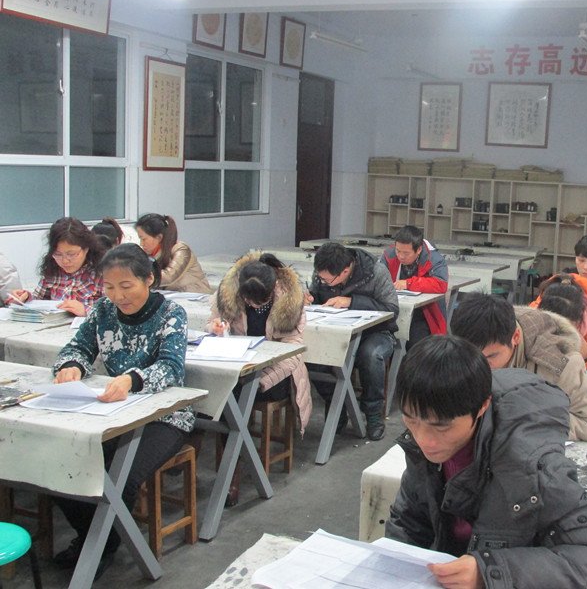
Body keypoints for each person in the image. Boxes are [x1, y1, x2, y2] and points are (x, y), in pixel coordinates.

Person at [385, 335, 587, 588]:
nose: (424, 440)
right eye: (411, 420)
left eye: (442, 426)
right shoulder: (425, 451)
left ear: (482, 407)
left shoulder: (534, 468)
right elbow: (408, 524)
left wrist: (490, 572)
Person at [50, 243, 192, 578]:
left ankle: (101, 546)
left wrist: (132, 379)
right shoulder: (102, 310)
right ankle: (94, 538)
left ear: (149, 279)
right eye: (110, 287)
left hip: (164, 416)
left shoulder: (171, 313)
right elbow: (77, 346)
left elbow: (171, 368)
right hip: (113, 411)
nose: (118, 296)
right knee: (61, 465)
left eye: (126, 286)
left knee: (120, 479)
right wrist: (72, 365)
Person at [207, 251, 311, 506]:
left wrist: (262, 380)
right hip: (239, 369)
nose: (253, 306)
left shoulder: (291, 300)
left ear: (273, 289)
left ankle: (231, 475)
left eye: (259, 302)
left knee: (233, 400)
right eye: (248, 301)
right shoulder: (227, 293)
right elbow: (213, 322)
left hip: (276, 374)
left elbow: (294, 351)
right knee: (226, 397)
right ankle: (231, 466)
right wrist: (216, 328)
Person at [450, 293, 587, 441]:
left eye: (491, 357)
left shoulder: (559, 364)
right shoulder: (454, 353)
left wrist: (535, 419)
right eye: (471, 356)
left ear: (515, 337)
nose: (482, 366)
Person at [307, 242, 399, 440]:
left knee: (370, 355)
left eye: (327, 280)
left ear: (345, 271)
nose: (323, 282)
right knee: (311, 356)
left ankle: (374, 414)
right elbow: (316, 295)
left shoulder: (376, 272)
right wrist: (310, 298)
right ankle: (336, 404)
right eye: (320, 278)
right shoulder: (324, 272)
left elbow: (392, 310)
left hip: (375, 333)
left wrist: (352, 302)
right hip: (335, 333)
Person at [8, 217, 104, 316]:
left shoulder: (102, 273)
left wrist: (86, 310)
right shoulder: (53, 271)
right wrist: (25, 298)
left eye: (71, 254)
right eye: (58, 254)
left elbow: (113, 312)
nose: (65, 261)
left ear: (86, 249)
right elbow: (39, 301)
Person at [380, 225, 448, 348]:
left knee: (416, 346)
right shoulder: (389, 255)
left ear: (419, 249)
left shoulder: (434, 258)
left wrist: (408, 283)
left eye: (406, 253)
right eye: (398, 251)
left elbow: (441, 284)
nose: (401, 256)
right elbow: (377, 277)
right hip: (393, 308)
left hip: (424, 312)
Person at [135, 213, 212, 294]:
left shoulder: (181, 249)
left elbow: (169, 277)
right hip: (172, 295)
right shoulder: (149, 253)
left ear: (159, 237)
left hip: (195, 295)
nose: (141, 243)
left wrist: (137, 277)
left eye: (144, 239)